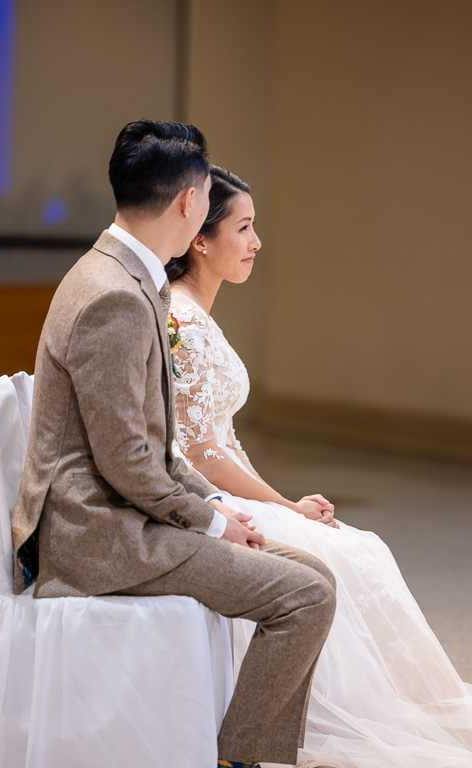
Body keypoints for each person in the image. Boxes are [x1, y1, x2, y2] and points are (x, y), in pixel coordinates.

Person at [11, 121, 337, 768]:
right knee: (308, 596)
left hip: (119, 509)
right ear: (190, 203)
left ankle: (243, 751)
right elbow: (126, 461)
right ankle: (237, 758)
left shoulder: (128, 277)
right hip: (95, 534)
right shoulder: (114, 297)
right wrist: (213, 522)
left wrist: (216, 510)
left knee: (315, 573)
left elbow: (155, 448)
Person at [167, 165, 472, 768]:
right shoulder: (183, 321)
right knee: (351, 553)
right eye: (244, 228)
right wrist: (282, 506)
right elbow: (201, 454)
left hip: (218, 488)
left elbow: (219, 443)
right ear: (200, 238)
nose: (256, 243)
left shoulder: (194, 314)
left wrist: (283, 500)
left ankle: (395, 705)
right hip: (200, 499)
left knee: (358, 548)